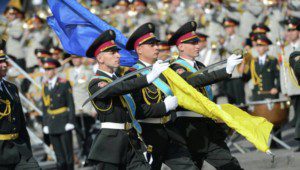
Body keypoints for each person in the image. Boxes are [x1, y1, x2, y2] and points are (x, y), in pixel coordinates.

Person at [86, 29, 168, 169]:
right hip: (110, 144)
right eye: (112, 53)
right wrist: (148, 77)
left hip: (130, 140)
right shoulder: (96, 82)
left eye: (117, 52)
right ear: (100, 58)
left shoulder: (118, 79)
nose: (118, 56)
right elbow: (118, 88)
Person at [168, 21, 243, 170]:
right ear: (181, 46)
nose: (197, 45)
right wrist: (226, 70)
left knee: (230, 165)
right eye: (192, 42)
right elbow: (193, 80)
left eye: (198, 42)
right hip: (188, 127)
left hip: (208, 127)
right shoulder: (175, 67)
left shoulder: (200, 66)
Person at [126, 22, 198, 170]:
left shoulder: (165, 70)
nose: (157, 47)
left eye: (156, 44)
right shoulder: (132, 75)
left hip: (170, 131)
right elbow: (136, 110)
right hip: (149, 135)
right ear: (139, 49)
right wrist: (164, 107)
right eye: (151, 45)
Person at [0, 52, 40, 170]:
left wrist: (27, 147)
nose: (4, 65)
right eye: (0, 62)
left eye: (4, 61)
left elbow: (21, 122)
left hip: (18, 147)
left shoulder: (11, 87)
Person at [41, 57, 75, 170]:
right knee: (59, 156)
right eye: (45, 69)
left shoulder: (64, 83)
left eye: (49, 69)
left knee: (68, 155)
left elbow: (71, 104)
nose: (47, 72)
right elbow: (45, 107)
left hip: (64, 121)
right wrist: (45, 124)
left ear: (55, 70)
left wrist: (71, 121)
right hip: (52, 123)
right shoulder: (45, 85)